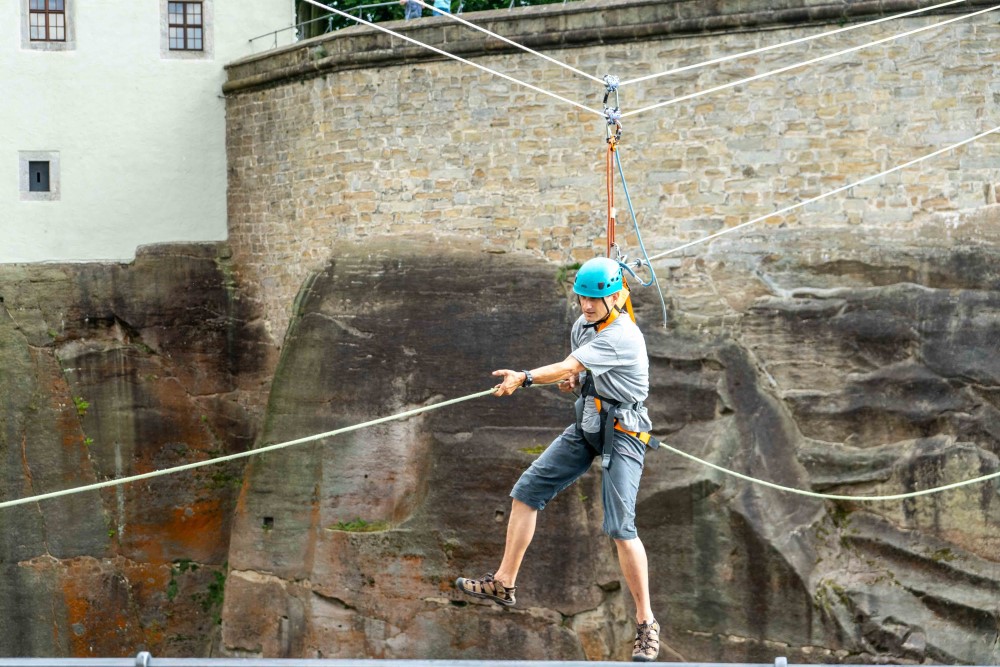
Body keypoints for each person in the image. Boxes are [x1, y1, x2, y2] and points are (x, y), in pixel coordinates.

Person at [455, 257, 661, 662]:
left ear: (616, 297)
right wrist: (577, 379)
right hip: (588, 423)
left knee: (621, 527)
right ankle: (504, 583)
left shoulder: (623, 334)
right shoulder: (583, 324)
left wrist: (526, 377)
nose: (587, 305)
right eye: (582, 297)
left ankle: (646, 623)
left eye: (596, 299)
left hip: (624, 431)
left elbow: (571, 362)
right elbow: (578, 370)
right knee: (527, 491)